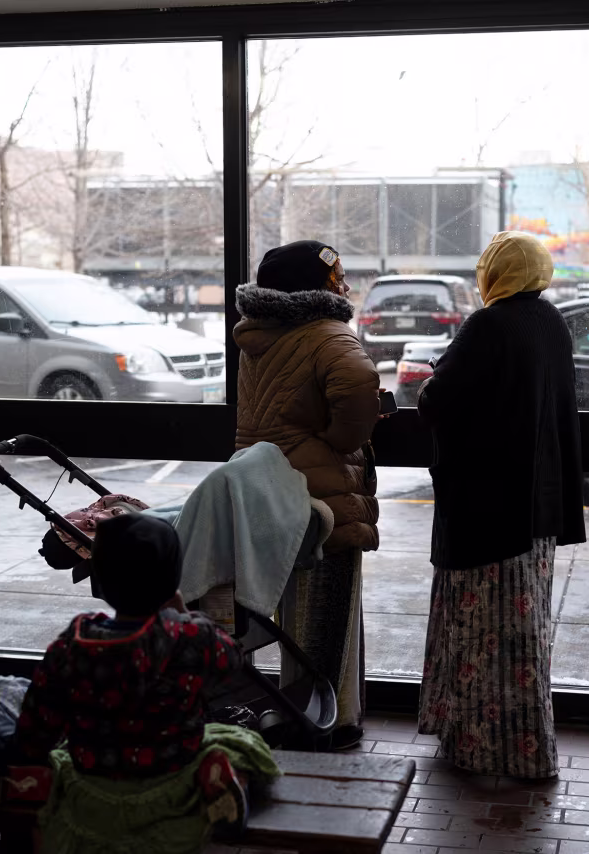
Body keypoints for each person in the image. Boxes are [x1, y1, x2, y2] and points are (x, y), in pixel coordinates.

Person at [416, 231, 586, 779]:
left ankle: (478, 748)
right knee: (522, 633)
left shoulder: (488, 324)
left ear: (494, 273)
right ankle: (526, 747)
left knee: (478, 631)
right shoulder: (551, 322)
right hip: (537, 510)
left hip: (487, 512)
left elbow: (436, 400)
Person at [12, 513, 280, 854]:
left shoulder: (73, 644)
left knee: (61, 754)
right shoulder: (187, 636)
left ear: (102, 581)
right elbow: (230, 661)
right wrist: (186, 615)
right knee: (239, 741)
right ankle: (220, 780)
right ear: (172, 580)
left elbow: (38, 720)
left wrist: (30, 757)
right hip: (175, 774)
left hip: (93, 782)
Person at [233, 239, 381, 750]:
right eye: (335, 277)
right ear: (312, 286)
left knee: (290, 611)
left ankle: (294, 708)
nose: (344, 286)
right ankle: (331, 722)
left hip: (266, 490)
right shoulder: (327, 333)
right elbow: (360, 384)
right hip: (322, 499)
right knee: (328, 608)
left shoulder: (257, 333)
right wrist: (341, 439)